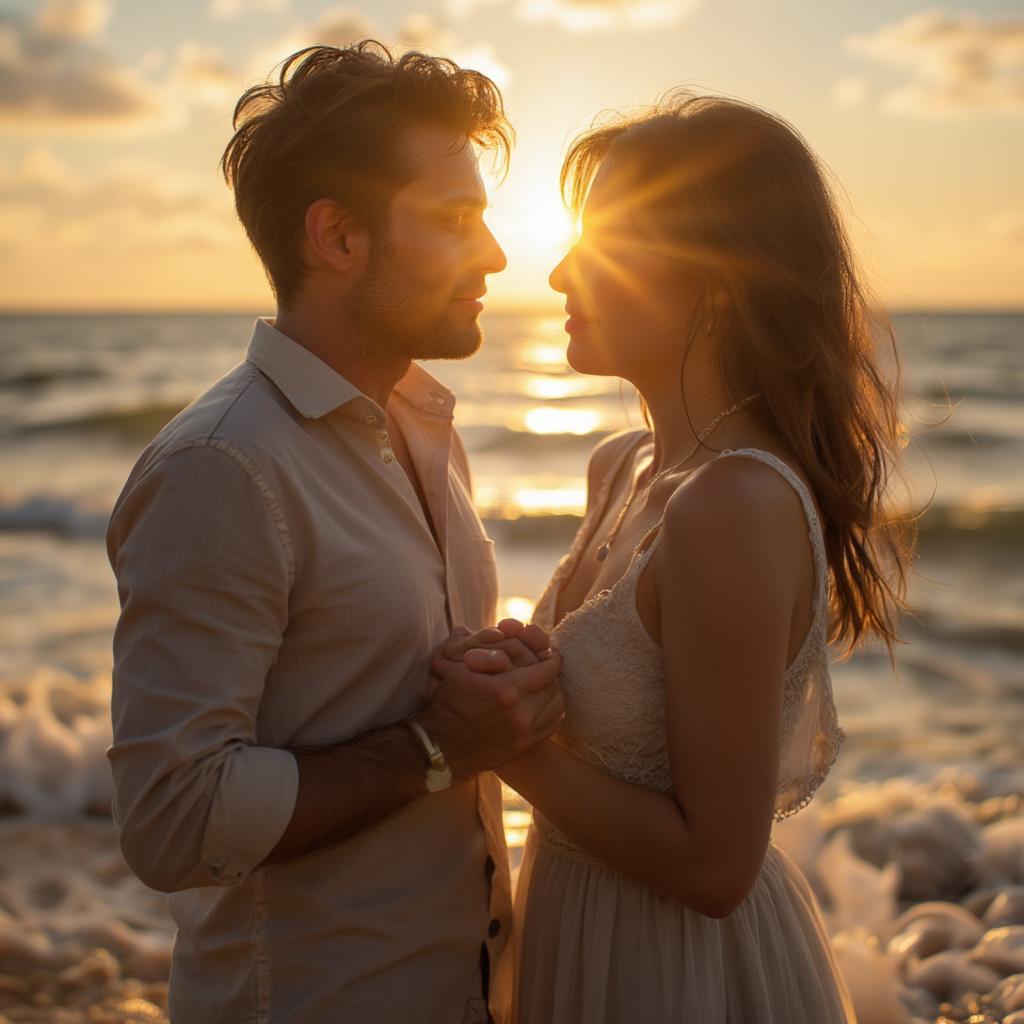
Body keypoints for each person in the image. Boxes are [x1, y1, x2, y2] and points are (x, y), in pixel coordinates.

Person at [105, 41, 563, 1024]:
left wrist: (502, 675)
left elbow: (379, 678)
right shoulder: (222, 470)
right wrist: (437, 743)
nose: (493, 255)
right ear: (337, 238)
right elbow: (171, 818)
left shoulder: (426, 424)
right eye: (454, 221)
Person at [434, 91, 915, 1021]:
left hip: (677, 972)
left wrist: (503, 744)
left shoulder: (734, 507)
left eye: (609, 242)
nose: (565, 271)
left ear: (719, 284)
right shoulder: (624, 466)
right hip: (577, 932)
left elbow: (715, 867)